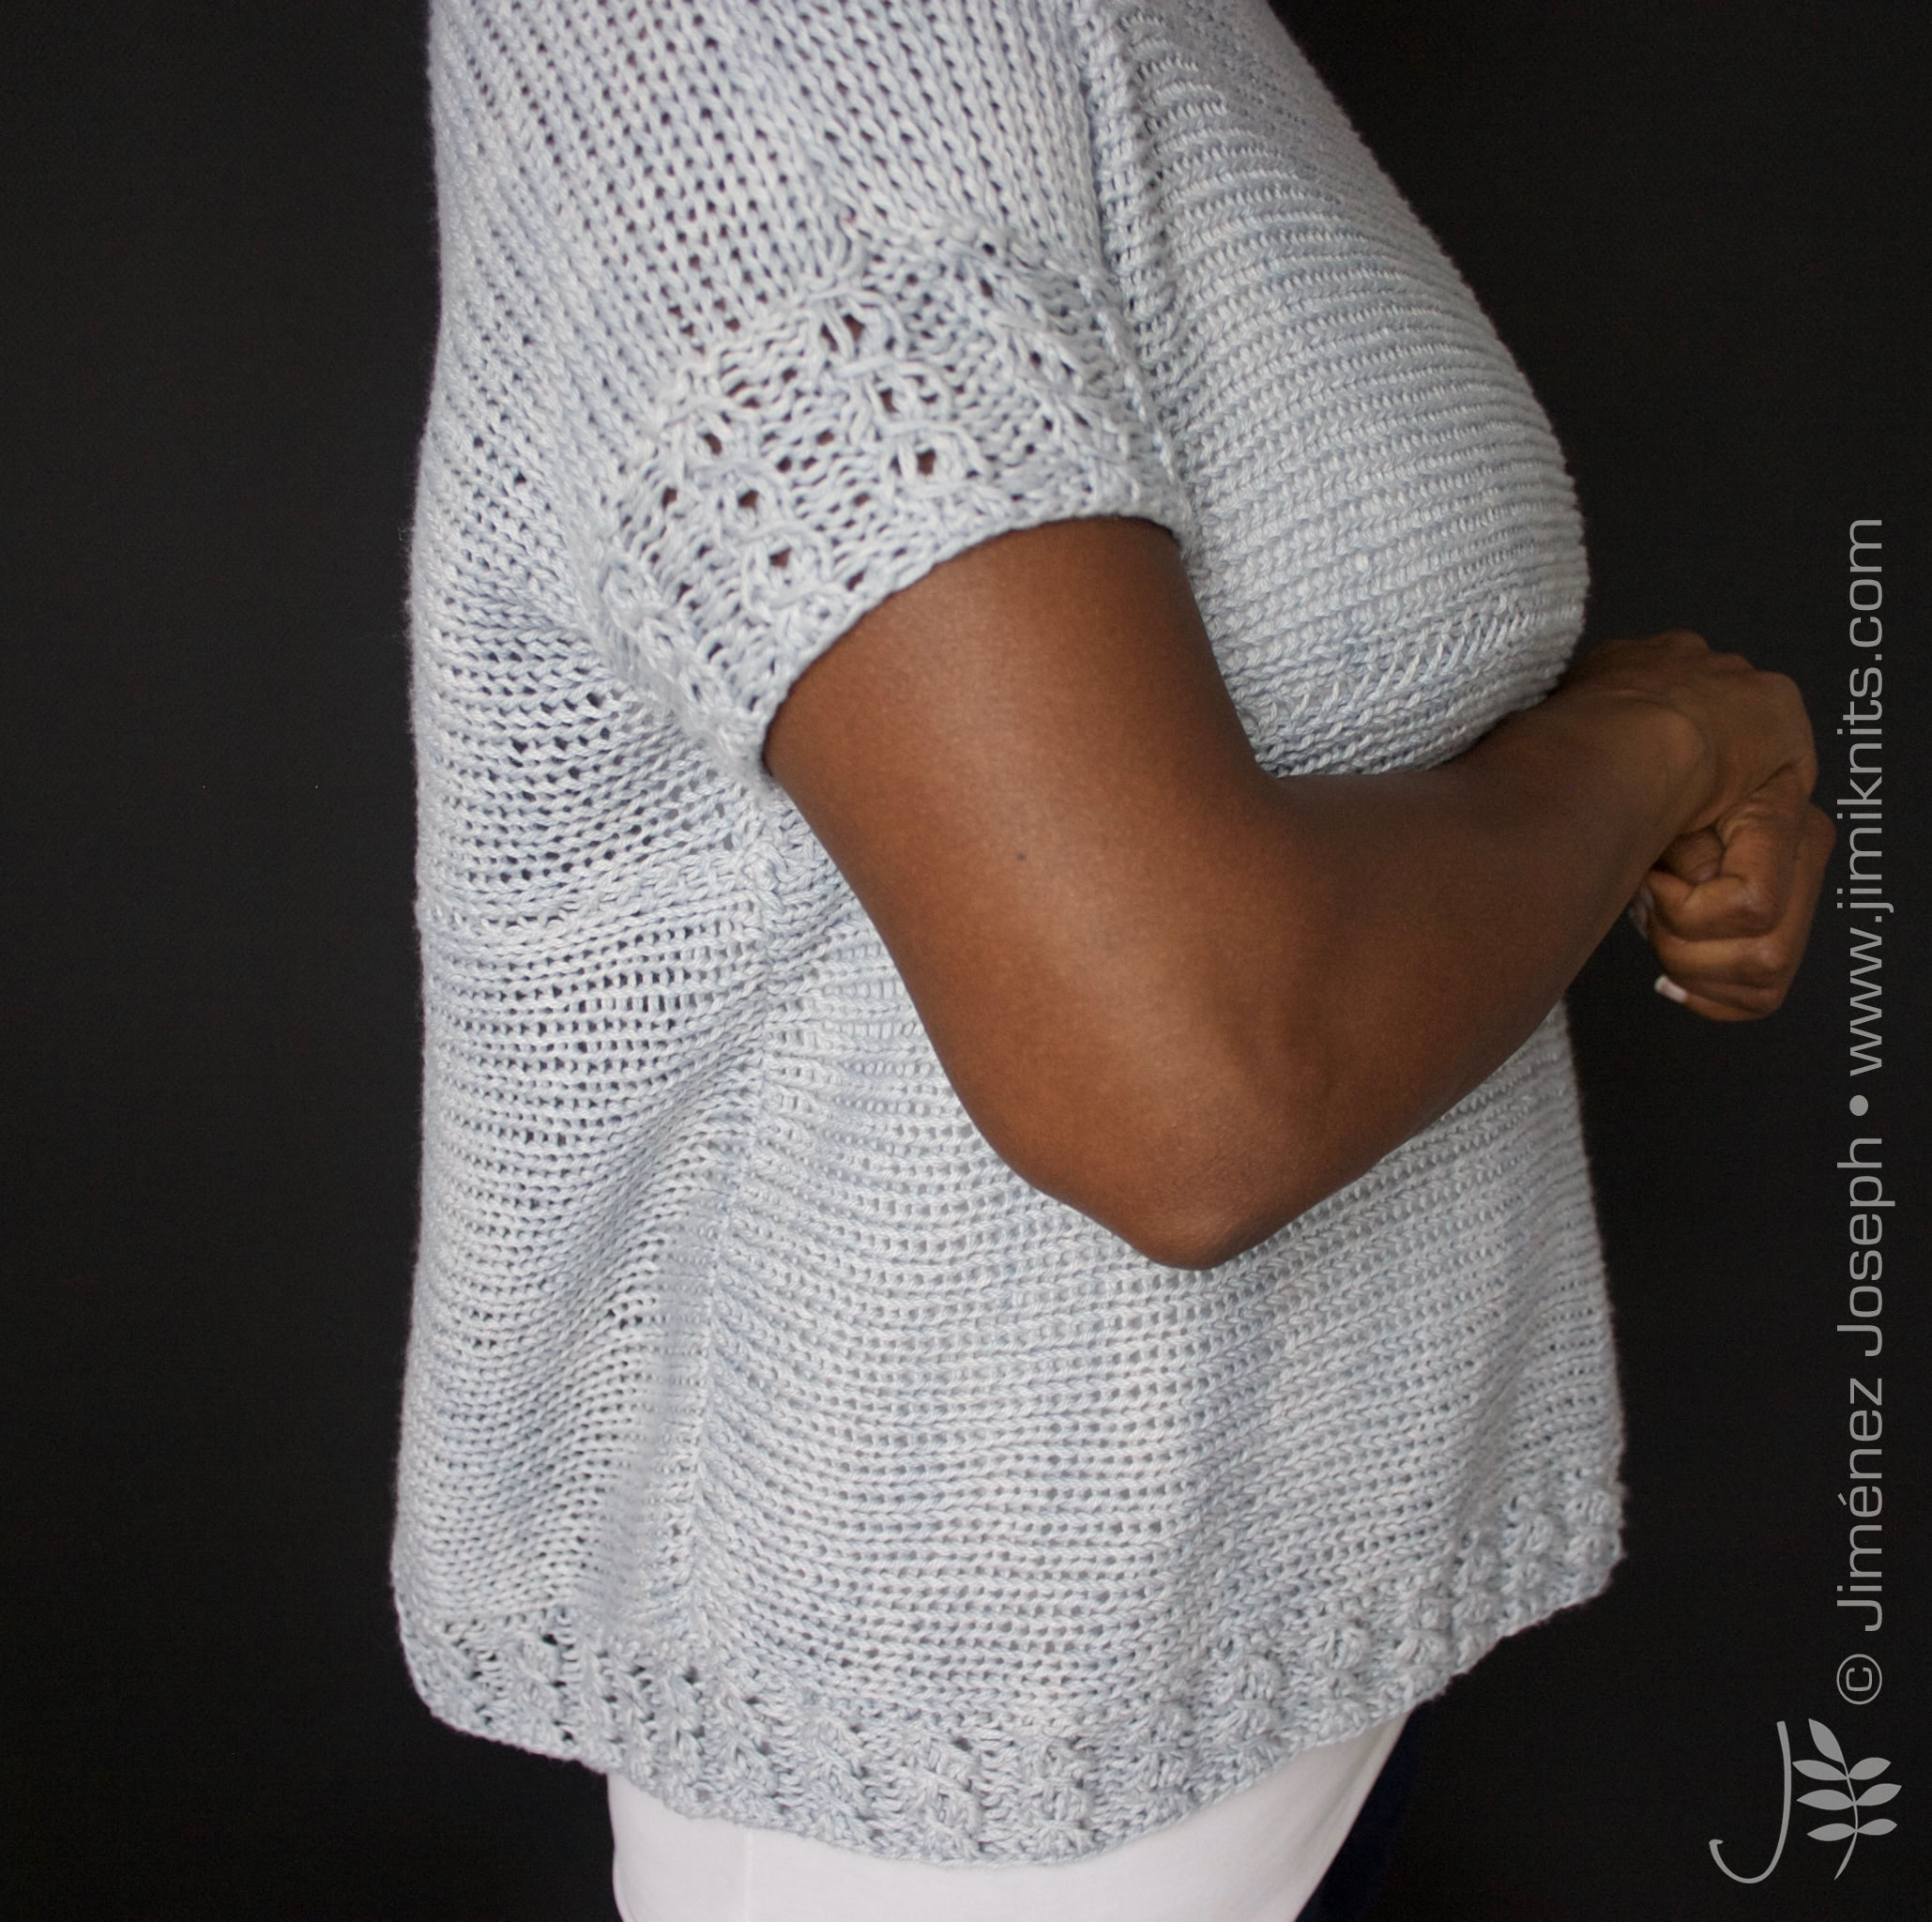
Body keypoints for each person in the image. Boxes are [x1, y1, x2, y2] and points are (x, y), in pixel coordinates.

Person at [392, 4, 1830, 1917]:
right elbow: (1190, 1082)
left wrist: (1582, 776)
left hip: (1279, 1642)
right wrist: (1658, 747)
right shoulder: (763, 55)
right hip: (973, 1792)